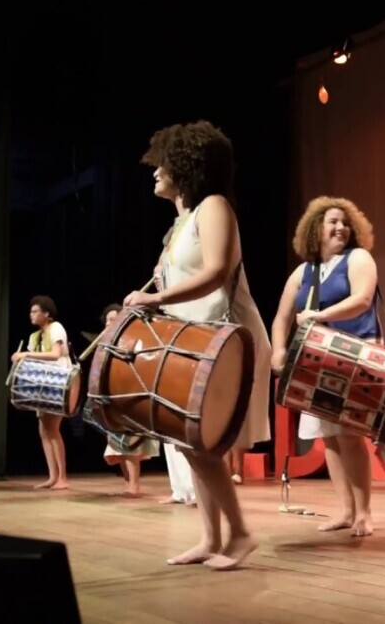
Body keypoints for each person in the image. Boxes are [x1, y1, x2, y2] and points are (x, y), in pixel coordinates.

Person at [122, 120, 269, 570]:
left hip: (226, 340)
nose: (155, 171)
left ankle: (240, 534)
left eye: (163, 163)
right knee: (190, 442)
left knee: (202, 443)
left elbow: (217, 271)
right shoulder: (181, 224)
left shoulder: (214, 207)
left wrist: (156, 298)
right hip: (197, 340)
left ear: (186, 166)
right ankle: (211, 538)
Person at [270, 196, 379, 537]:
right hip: (318, 359)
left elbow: (362, 300)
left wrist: (319, 315)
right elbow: (282, 317)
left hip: (355, 353)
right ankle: (345, 511)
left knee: (350, 435)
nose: (340, 227)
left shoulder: (358, 258)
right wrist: (278, 351)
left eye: (345, 222)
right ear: (316, 228)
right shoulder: (304, 272)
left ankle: (364, 514)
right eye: (333, 221)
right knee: (329, 438)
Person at [96, 303, 159, 496]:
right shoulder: (104, 343)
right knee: (117, 443)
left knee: (129, 441)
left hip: (129, 394)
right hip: (112, 395)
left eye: (113, 319)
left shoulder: (130, 338)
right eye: (107, 320)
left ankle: (134, 484)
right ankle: (127, 483)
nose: (109, 323)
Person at [11, 295, 72, 490]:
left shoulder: (56, 328)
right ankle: (53, 476)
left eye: (35, 311)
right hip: (42, 384)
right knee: (44, 430)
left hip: (57, 381)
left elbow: (55, 354)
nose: (31, 314)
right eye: (31, 311)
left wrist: (25, 354)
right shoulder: (34, 337)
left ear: (47, 314)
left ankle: (62, 477)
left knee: (52, 429)